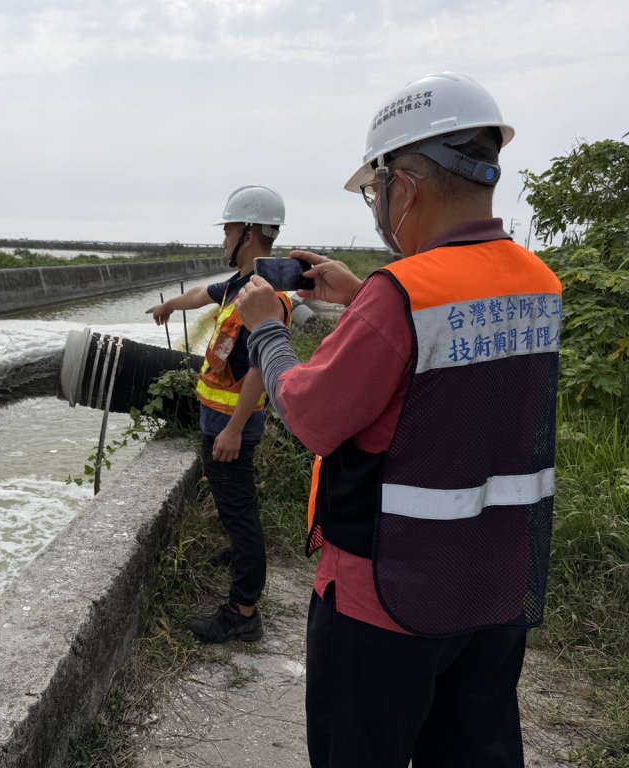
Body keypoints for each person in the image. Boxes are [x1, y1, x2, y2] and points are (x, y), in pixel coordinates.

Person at [236, 73, 563, 767]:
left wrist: (268, 330)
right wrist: (360, 299)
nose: (377, 208)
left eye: (373, 192)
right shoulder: (541, 283)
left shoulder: (403, 294)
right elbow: (446, 375)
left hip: (387, 596)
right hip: (497, 584)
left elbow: (311, 416)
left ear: (403, 188)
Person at [145, 184, 292, 644]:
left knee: (241, 512)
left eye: (228, 229)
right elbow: (200, 297)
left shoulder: (264, 297)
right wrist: (169, 305)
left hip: (233, 428)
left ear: (247, 233)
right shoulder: (237, 285)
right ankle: (239, 561)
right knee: (235, 508)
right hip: (219, 422)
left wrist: (231, 430)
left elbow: (258, 372)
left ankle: (243, 612)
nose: (223, 238)